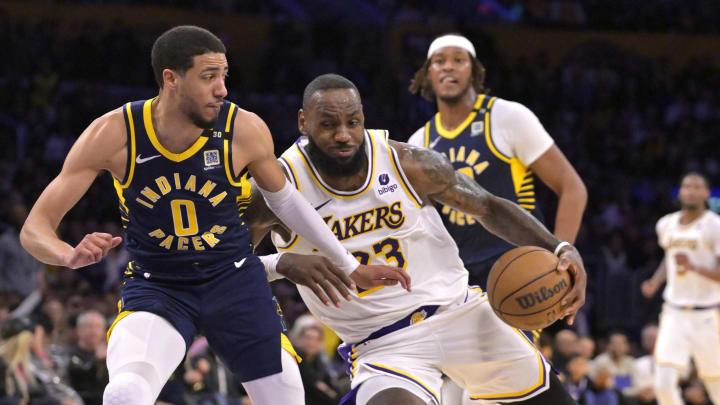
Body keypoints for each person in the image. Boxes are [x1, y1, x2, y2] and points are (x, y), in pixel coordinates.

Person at [19, 25, 409, 405]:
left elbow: (286, 202)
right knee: (124, 393)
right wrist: (66, 255)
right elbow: (35, 228)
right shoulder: (114, 132)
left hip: (235, 280)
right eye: (209, 77)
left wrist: (348, 264)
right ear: (171, 78)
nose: (222, 88)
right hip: (159, 285)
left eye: (224, 75)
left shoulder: (243, 128)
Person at [250, 73, 587, 405]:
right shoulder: (276, 189)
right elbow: (222, 265)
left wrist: (559, 248)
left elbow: (488, 207)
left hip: (461, 314)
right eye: (328, 125)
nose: (343, 135)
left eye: (353, 122)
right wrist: (283, 264)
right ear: (303, 122)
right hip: (384, 344)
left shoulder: (408, 162)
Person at [407, 33, 587, 290]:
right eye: (439, 61)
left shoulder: (506, 117)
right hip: (459, 277)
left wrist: (560, 257)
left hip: (520, 263)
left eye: (459, 60)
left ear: (475, 73)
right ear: (427, 75)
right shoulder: (419, 141)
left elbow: (572, 188)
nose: (448, 66)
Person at [640, 172, 720, 405]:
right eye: (687, 186)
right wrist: (655, 281)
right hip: (673, 312)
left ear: (706, 193)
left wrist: (693, 267)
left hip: (707, 314)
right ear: (680, 191)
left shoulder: (714, 225)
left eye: (697, 187)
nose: (691, 190)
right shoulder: (666, 224)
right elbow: (669, 258)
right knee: (663, 384)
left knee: (716, 384)